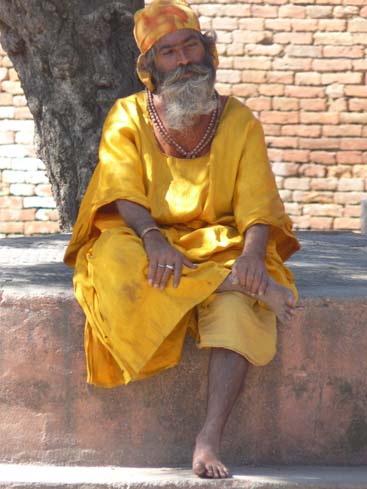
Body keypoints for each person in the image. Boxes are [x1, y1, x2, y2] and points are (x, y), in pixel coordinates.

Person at [64, 0, 300, 479]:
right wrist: (152, 238)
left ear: (208, 51)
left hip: (219, 243)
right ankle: (233, 283)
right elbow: (119, 189)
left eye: (191, 45)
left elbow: (259, 204)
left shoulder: (238, 120)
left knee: (239, 312)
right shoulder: (128, 115)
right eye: (169, 52)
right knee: (113, 266)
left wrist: (254, 256)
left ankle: (208, 437)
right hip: (143, 236)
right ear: (151, 67)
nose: (184, 59)